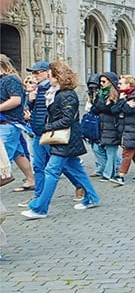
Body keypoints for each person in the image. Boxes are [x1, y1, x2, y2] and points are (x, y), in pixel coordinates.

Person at [21, 61, 100, 219]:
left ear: (58, 77)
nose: (48, 78)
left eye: (51, 75)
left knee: (51, 171)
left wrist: (47, 127)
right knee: (76, 169)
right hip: (63, 138)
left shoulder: (67, 95)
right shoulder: (56, 93)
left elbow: (67, 119)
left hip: (65, 139)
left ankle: (40, 208)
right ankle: (92, 197)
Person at [0, 54, 35, 192]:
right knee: (18, 154)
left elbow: (16, 100)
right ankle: (31, 179)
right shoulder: (3, 79)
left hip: (8, 123)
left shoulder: (11, 79)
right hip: (7, 123)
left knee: (3, 156)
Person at [110, 75, 135, 185]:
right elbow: (114, 109)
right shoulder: (124, 96)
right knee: (134, 151)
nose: (118, 85)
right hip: (126, 128)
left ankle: (120, 175)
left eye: (121, 83)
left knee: (127, 152)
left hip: (134, 128)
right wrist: (122, 101)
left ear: (129, 84)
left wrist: (122, 102)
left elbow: (128, 110)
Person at [91, 72, 122, 181]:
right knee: (96, 148)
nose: (101, 83)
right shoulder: (100, 94)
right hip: (101, 125)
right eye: (100, 81)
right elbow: (95, 108)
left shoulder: (116, 94)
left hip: (112, 126)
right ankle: (106, 168)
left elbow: (112, 110)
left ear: (111, 82)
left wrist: (101, 107)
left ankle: (108, 174)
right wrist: (102, 106)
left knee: (111, 150)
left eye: (104, 81)